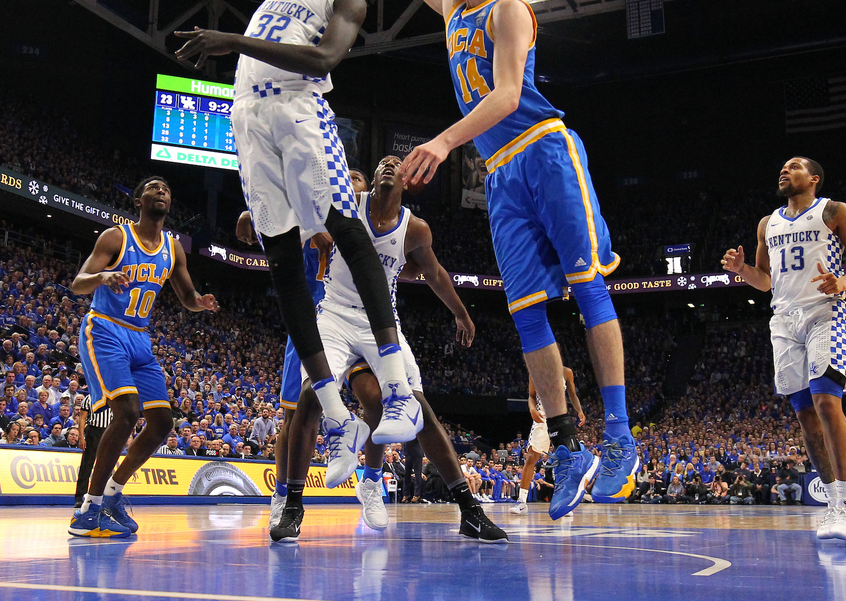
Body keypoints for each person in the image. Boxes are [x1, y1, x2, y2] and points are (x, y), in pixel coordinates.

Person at [365, 0, 637, 520]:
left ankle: (622, 436)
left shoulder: (508, 11)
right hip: (500, 172)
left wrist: (443, 139)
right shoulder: (455, 9)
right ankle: (569, 445)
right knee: (525, 314)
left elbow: (511, 93)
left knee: (585, 285)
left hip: (544, 149)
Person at [174, 0, 422, 462]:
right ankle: (338, 417)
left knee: (349, 233)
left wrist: (232, 39)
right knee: (282, 262)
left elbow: (324, 60)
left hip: (299, 114)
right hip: (249, 119)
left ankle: (398, 388)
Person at [276, 157, 507, 543]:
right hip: (334, 313)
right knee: (309, 397)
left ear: (408, 180)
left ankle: (469, 511)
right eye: (382, 160)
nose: (387, 165)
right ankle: (293, 507)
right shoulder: (348, 204)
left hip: (382, 322)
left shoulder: (415, 229)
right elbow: (301, 216)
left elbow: (434, 274)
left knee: (419, 408)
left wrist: (462, 315)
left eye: (395, 164)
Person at [722, 157, 846, 541]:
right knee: (806, 417)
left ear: (814, 178)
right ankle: (833, 506)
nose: (784, 171)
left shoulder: (834, 211)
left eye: (794, 167)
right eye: (782, 167)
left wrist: (841, 282)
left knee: (827, 403)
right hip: (784, 322)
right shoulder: (767, 223)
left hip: (826, 313)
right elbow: (765, 281)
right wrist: (743, 270)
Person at [68, 176, 218, 539]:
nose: (161, 191)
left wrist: (197, 303)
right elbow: (78, 283)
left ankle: (113, 494)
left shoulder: (174, 247)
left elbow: (185, 294)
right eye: (153, 187)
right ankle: (88, 508)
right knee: (128, 411)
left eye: (166, 187)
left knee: (163, 422)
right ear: (139, 200)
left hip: (140, 338)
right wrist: (103, 276)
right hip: (104, 329)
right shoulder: (116, 237)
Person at [233, 166, 371, 531]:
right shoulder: (312, 214)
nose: (351, 180)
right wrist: (250, 211)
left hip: (357, 326)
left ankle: (371, 482)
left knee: (382, 402)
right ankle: (285, 497)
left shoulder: (374, 223)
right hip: (312, 327)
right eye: (348, 175)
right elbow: (277, 204)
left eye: (359, 177)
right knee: (295, 418)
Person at [512, 365, 584, 514]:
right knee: (532, 457)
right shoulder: (535, 372)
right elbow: (531, 396)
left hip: (560, 419)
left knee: (565, 459)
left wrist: (580, 411)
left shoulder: (566, 372)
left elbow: (572, 394)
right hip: (542, 418)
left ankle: (563, 502)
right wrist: (532, 409)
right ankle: (521, 502)